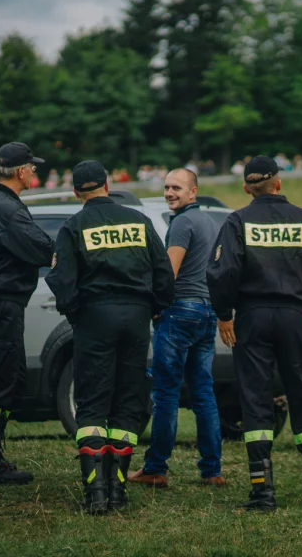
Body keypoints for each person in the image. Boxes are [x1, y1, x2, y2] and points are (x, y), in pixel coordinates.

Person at [207, 155, 302, 512]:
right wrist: (301, 297)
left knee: (256, 398)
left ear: (246, 188)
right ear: (279, 183)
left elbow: (222, 274)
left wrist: (224, 314)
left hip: (253, 318)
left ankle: (263, 493)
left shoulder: (237, 221)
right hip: (297, 318)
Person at [46, 160, 173, 514]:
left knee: (91, 403)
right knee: (128, 401)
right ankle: (118, 487)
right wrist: (155, 307)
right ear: (107, 184)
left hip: (94, 317)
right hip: (135, 318)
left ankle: (96, 494)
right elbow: (162, 272)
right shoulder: (139, 221)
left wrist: (77, 314)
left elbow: (62, 282)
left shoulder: (73, 226)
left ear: (76, 192)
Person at [128, 168, 225, 488]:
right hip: (207, 311)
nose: (170, 193)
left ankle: (156, 468)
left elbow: (169, 272)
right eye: (167, 187)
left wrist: (155, 307)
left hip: (181, 310)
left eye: (177, 188)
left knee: (166, 394)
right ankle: (212, 470)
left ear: (193, 192)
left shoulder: (182, 223)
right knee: (203, 393)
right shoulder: (209, 222)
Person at [0, 142, 54, 484]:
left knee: (8, 375)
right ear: (20, 172)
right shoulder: (9, 211)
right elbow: (43, 249)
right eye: (32, 167)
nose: (35, 172)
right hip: (1, 305)